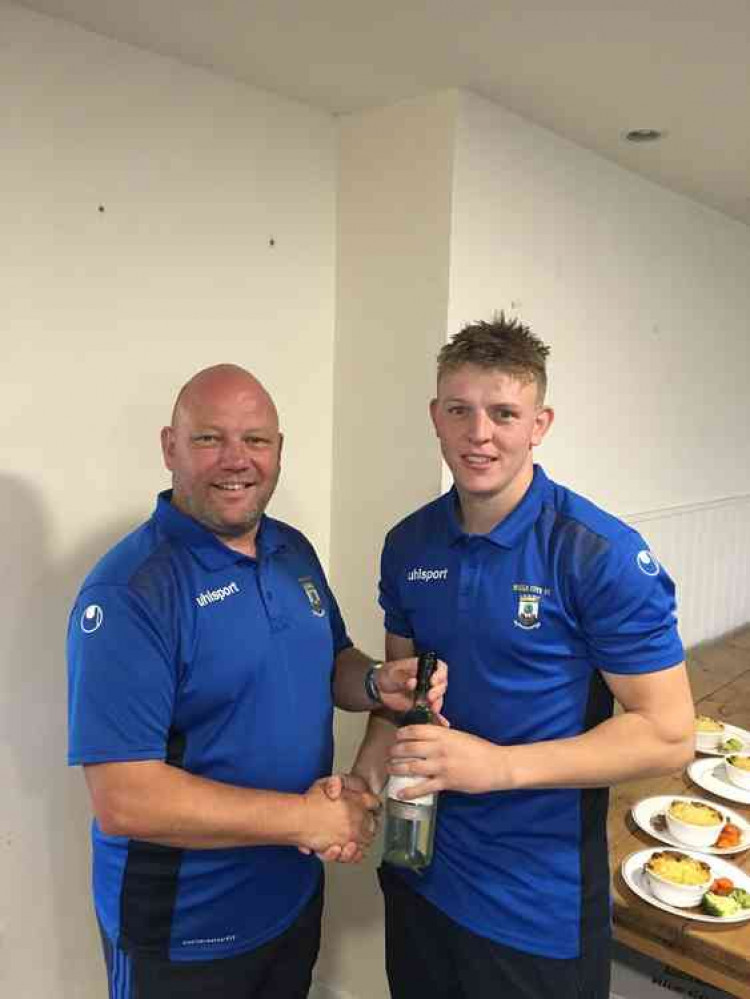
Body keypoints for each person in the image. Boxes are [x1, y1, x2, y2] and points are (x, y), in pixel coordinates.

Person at [67, 363, 446, 999]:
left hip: (289, 899)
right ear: (170, 447)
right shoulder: (133, 591)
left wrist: (379, 683)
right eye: (209, 439)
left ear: (278, 450)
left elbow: (329, 662)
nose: (236, 460)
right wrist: (304, 820)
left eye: (257, 440)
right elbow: (124, 798)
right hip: (183, 932)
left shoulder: (292, 549)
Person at [351, 316, 695, 999]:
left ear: (539, 423)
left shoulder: (597, 553)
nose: (480, 434)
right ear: (436, 418)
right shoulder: (408, 544)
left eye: (503, 413)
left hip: (532, 905)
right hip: (417, 872)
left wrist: (500, 765)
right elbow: (400, 706)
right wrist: (364, 783)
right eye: (461, 410)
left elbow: (669, 733)